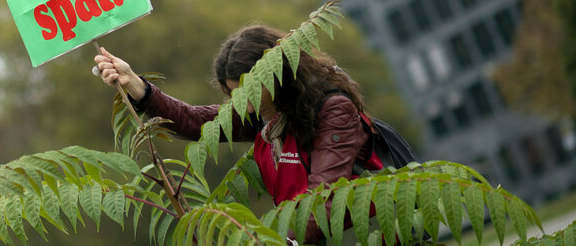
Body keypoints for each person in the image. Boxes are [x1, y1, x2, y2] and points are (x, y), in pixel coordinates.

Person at [93, 25, 383, 244]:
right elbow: (196, 122)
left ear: (278, 73)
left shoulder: (333, 111)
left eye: (250, 87)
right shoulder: (266, 115)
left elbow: (323, 200)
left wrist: (268, 239)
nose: (244, 98)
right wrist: (136, 86)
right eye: (234, 92)